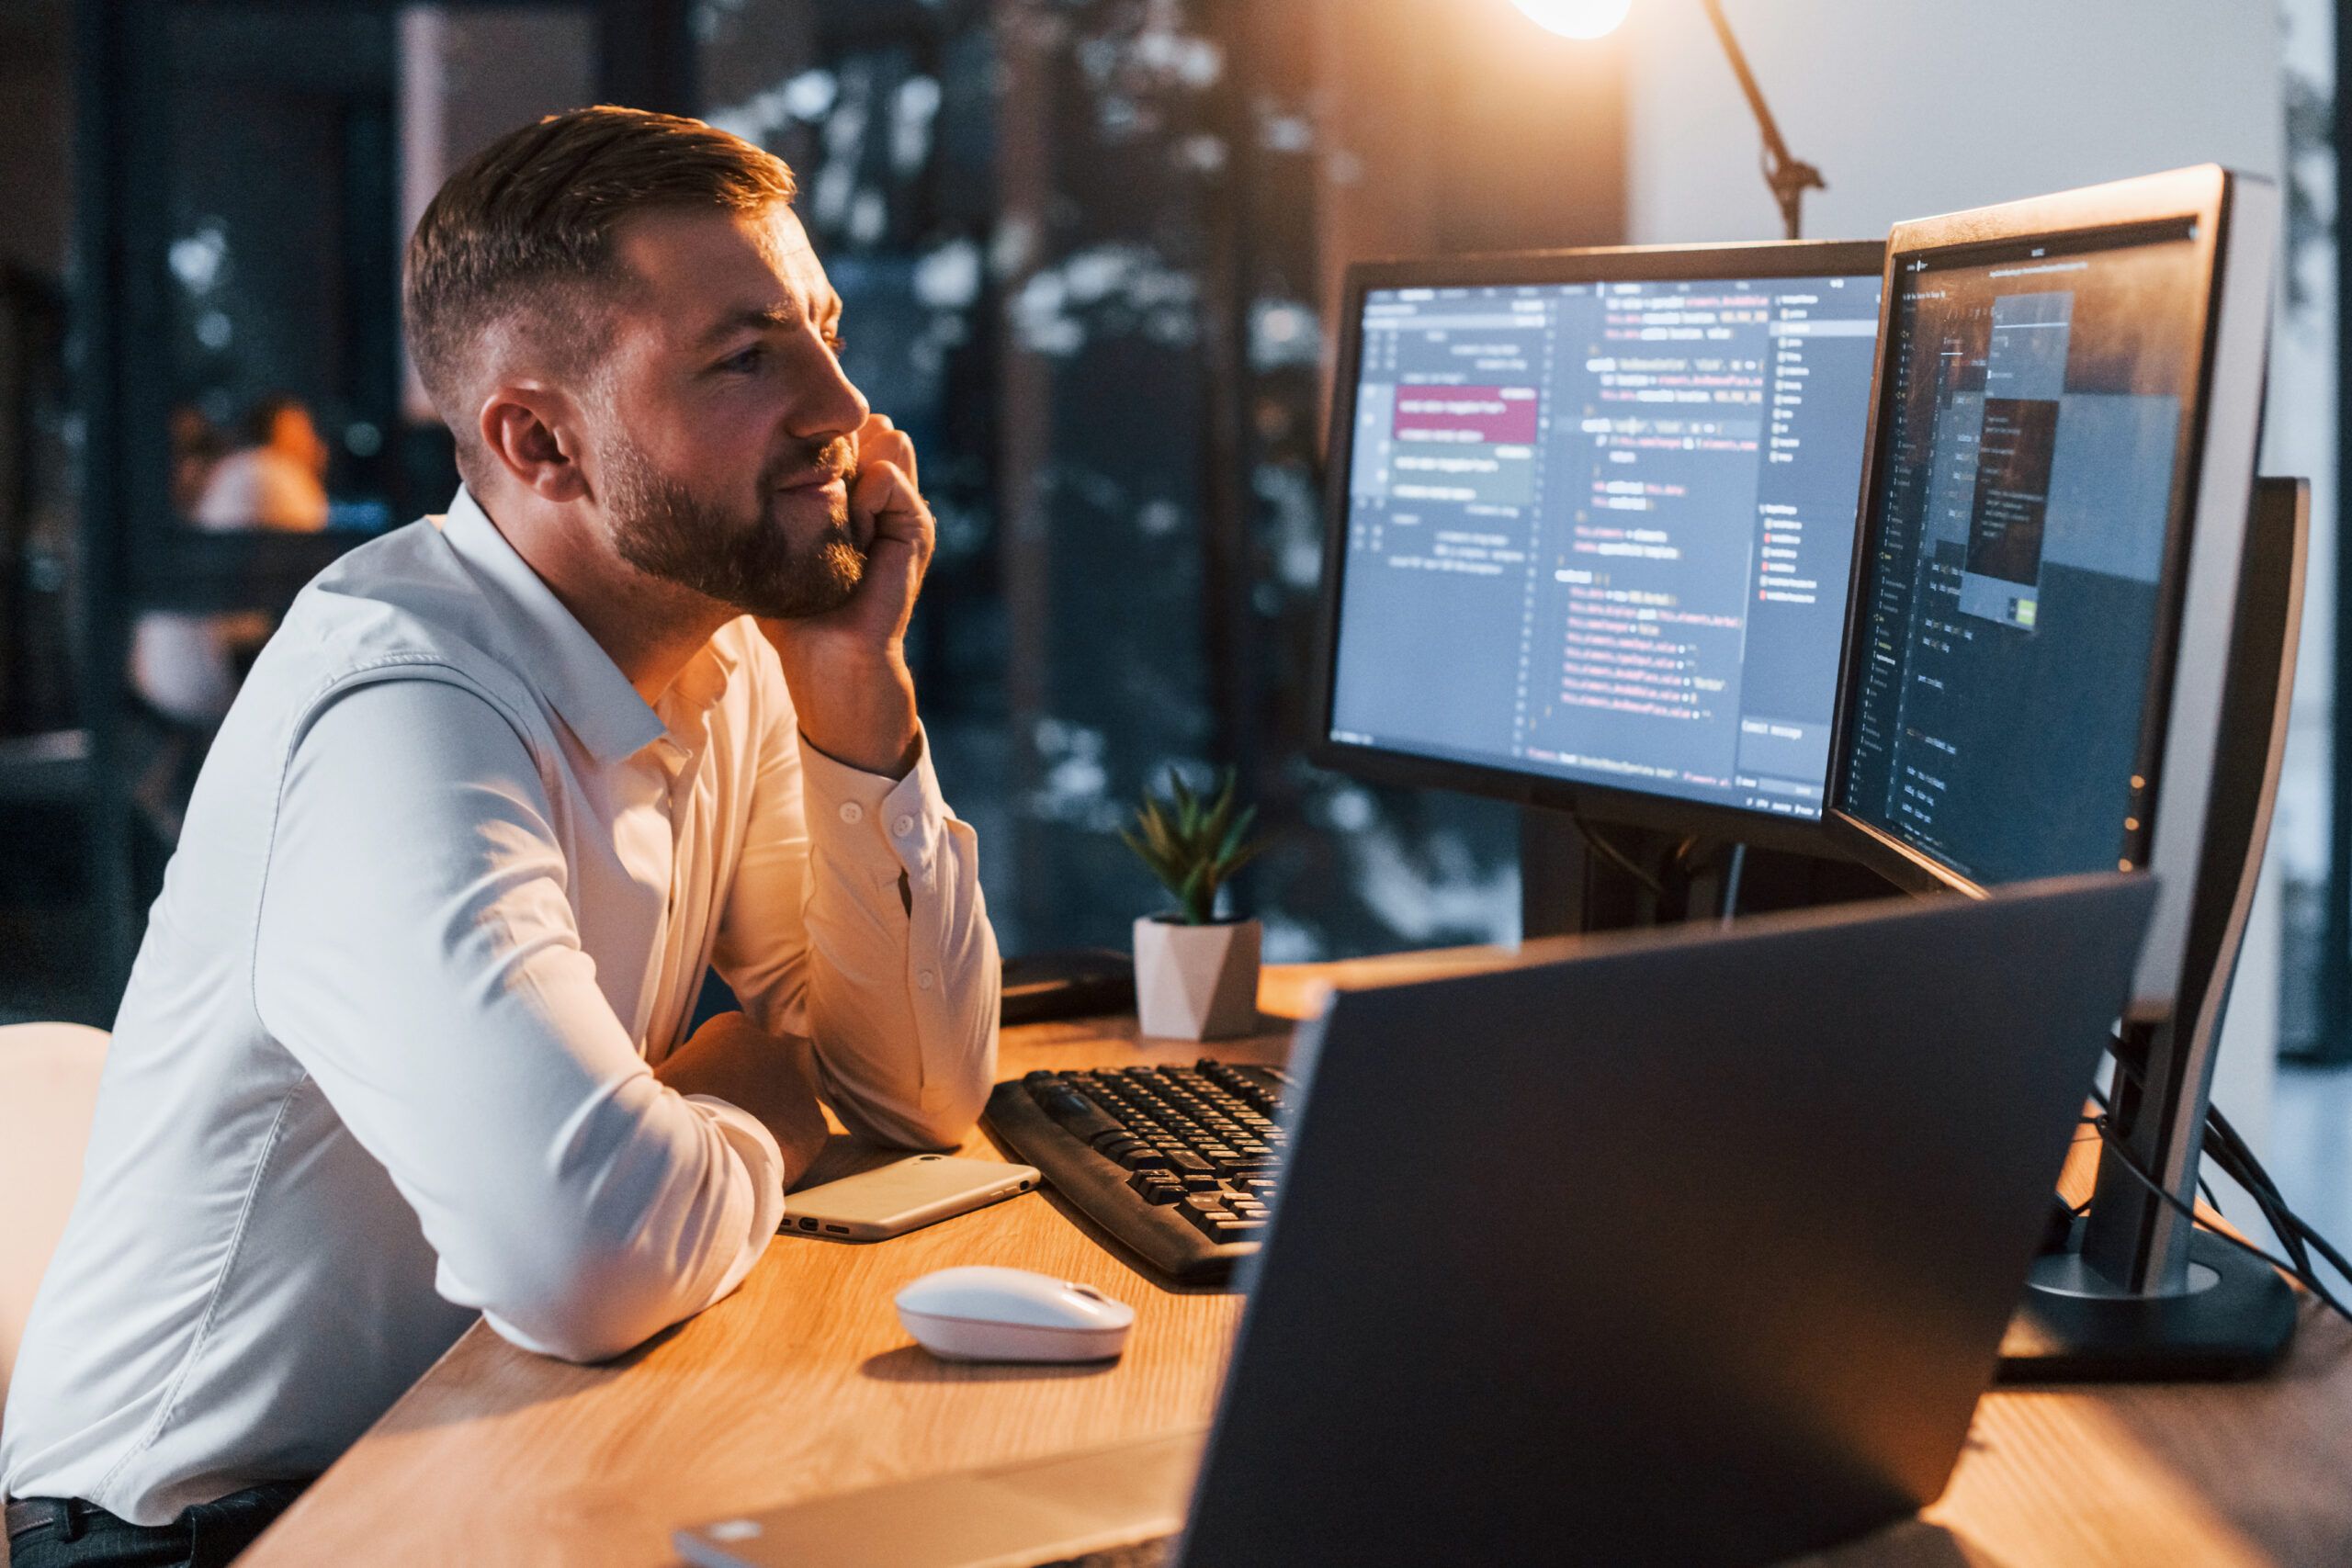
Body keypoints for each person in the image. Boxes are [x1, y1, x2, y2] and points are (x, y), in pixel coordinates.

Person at [3, 107, 1000, 1568]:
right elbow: (579, 1258)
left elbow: (918, 1089)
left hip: (481, 1447)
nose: (843, 407)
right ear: (542, 441)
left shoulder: (723, 655)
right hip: (209, 1537)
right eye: (746, 358)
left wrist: (859, 693)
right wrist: (757, 1118)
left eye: (824, 331)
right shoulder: (400, 709)